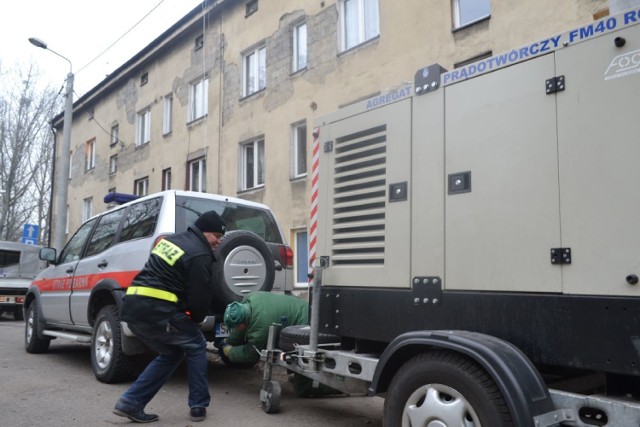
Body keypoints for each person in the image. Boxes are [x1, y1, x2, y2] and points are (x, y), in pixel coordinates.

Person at [113, 210, 226, 423]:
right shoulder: (199, 253)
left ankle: (130, 403)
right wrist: (198, 318)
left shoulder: (172, 241)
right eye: (217, 237)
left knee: (172, 353)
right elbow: (199, 296)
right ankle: (198, 406)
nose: (218, 242)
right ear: (205, 232)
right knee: (196, 344)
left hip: (133, 308)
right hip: (159, 311)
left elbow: (164, 276)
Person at [221, 292, 341, 397]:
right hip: (304, 312)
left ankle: (339, 386)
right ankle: (301, 374)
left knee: (302, 388)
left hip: (306, 328)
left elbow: (250, 354)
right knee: (284, 348)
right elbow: (240, 330)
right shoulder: (251, 298)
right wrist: (228, 342)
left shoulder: (259, 329)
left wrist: (229, 351)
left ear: (241, 325)